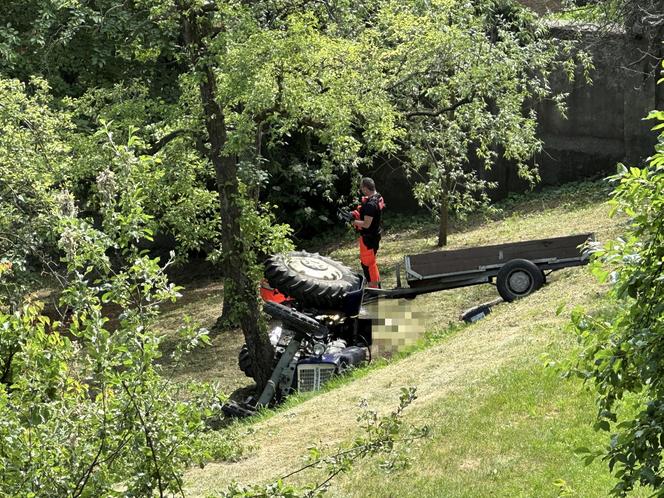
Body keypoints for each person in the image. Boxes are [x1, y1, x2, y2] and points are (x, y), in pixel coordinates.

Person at [352, 177, 385, 288]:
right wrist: (355, 214)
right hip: (375, 234)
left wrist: (352, 221)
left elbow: (366, 224)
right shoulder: (378, 197)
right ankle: (376, 285)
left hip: (369, 238)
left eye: (362, 188)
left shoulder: (371, 204)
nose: (361, 190)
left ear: (366, 188)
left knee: (367, 264)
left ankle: (373, 288)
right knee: (371, 262)